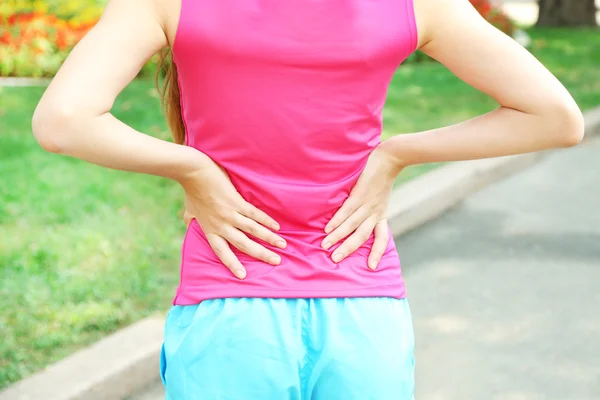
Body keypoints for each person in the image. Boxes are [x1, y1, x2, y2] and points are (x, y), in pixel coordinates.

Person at [32, 0, 584, 398]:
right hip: (361, 301)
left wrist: (191, 166)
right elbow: (555, 118)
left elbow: (64, 121)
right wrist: (397, 154)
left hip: (232, 299)